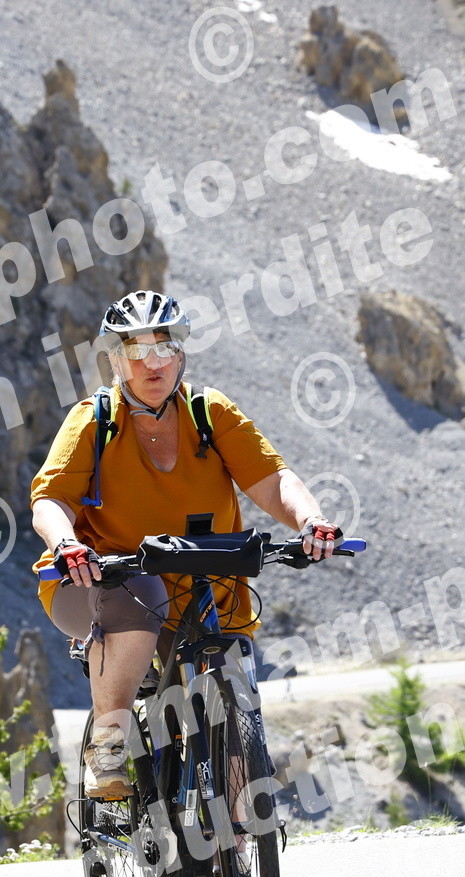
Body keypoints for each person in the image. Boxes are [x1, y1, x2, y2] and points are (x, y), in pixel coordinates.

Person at [29, 289, 342, 799]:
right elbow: (50, 499)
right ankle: (108, 747)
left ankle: (236, 839)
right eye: (137, 350)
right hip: (100, 578)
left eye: (165, 347)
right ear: (115, 359)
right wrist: (67, 545)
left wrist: (312, 521)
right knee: (141, 592)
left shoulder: (209, 412)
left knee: (233, 716)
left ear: (181, 354)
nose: (153, 362)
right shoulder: (94, 420)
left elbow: (271, 481)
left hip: (205, 587)